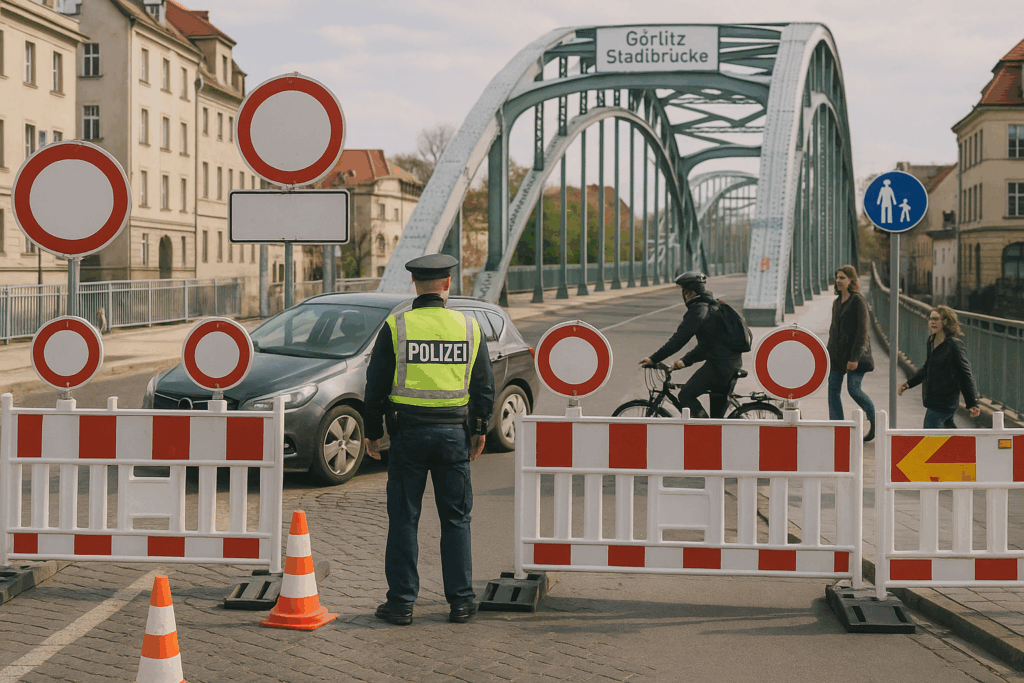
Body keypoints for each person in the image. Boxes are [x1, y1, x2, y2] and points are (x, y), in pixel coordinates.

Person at [362, 253, 495, 626]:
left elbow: (374, 386)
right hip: (453, 434)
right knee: (456, 519)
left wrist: (373, 433)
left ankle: (402, 604)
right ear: (447, 284)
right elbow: (484, 386)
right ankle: (461, 603)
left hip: (408, 435)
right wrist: (479, 429)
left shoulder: (396, 326)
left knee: (404, 519)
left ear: (415, 285)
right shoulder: (468, 327)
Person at [638, 271, 742, 418]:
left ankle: (705, 432)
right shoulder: (711, 306)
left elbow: (680, 339)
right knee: (717, 418)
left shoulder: (699, 310)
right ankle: (713, 432)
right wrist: (685, 361)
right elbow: (708, 345)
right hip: (729, 363)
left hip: (720, 366)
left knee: (686, 395)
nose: (683, 296)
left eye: (683, 292)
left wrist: (654, 358)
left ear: (690, 293)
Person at [897, 305, 981, 428]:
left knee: (930, 438)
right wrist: (909, 383)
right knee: (948, 435)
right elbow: (927, 367)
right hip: (933, 399)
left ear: (946, 322)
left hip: (945, 402)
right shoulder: (932, 341)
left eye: (936, 319)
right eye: (931, 319)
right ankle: (961, 447)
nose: (932, 322)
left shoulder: (954, 345)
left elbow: (965, 374)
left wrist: (972, 402)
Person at [826, 265, 877, 442]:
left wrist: (854, 358)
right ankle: (838, 427)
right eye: (837, 277)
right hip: (836, 356)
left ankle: (874, 419)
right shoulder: (836, 302)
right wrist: (826, 355)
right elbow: (833, 332)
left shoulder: (858, 301)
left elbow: (862, 332)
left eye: (843, 278)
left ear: (851, 281)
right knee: (833, 391)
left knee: (854, 389)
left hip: (855, 357)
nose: (839, 281)